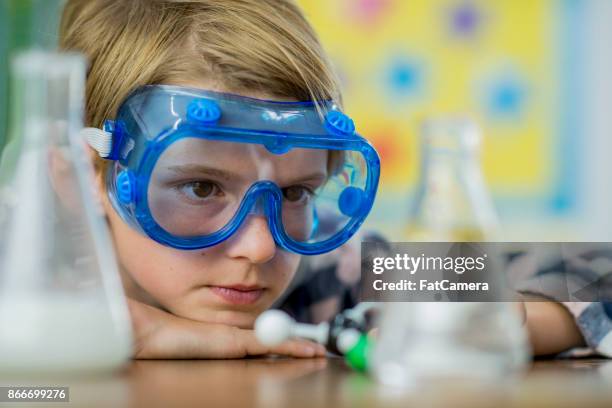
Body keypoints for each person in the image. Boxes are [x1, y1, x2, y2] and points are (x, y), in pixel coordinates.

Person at [59, 0, 596, 360]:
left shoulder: (326, 268)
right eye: (202, 188)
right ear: (87, 174)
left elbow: (591, 274)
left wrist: (495, 325)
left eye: (294, 193)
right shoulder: (28, 262)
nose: (261, 245)